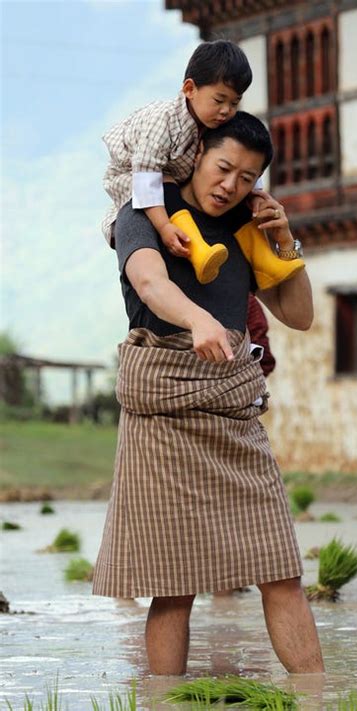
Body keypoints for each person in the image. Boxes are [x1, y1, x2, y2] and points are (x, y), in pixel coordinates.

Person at [93, 111, 325, 676]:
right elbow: (149, 280)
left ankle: (320, 697)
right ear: (197, 155)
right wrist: (200, 321)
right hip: (164, 413)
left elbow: (299, 315)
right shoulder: (144, 212)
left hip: (233, 412)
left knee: (281, 570)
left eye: (247, 178)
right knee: (174, 587)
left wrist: (284, 238)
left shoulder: (248, 225)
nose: (231, 186)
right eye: (224, 168)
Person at [101, 39, 304, 288]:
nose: (226, 110)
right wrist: (165, 227)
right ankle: (198, 249)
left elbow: (245, 168)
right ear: (189, 89)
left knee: (238, 191)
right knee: (163, 180)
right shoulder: (162, 121)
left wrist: (256, 194)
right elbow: (146, 177)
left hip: (174, 173)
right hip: (132, 174)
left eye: (234, 103)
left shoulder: (214, 125)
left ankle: (264, 260)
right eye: (219, 100)